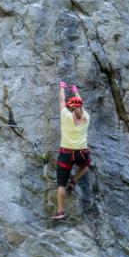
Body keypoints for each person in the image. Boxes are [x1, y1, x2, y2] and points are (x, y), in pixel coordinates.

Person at [52, 81, 92, 221]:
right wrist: (75, 90)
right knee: (86, 165)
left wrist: (62, 87)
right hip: (82, 152)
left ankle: (61, 211)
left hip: (66, 154)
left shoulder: (66, 115)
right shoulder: (86, 117)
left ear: (70, 107)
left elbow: (61, 100)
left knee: (61, 184)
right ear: (80, 108)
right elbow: (81, 104)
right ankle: (74, 179)